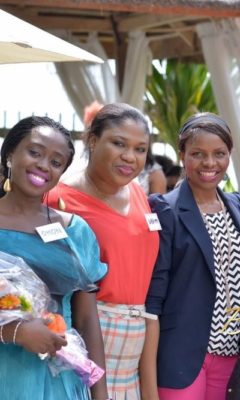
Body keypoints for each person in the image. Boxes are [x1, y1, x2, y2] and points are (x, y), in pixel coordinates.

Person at [47, 103, 160, 400]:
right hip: (87, 336)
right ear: (93, 140)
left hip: (135, 341)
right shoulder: (59, 198)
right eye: (119, 143)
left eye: (140, 149)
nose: (130, 157)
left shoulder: (136, 191)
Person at [143, 113, 240, 400]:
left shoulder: (236, 206)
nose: (209, 163)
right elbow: (153, 301)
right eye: (198, 154)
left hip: (231, 352)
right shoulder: (165, 210)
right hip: (181, 356)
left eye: (219, 154)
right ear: (182, 155)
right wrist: (148, 384)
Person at [0, 116, 108, 399]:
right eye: (34, 152)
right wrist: (17, 332)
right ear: (10, 154)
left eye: (56, 162)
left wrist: (100, 394)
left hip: (59, 376)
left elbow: (86, 319)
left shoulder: (76, 232)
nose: (43, 165)